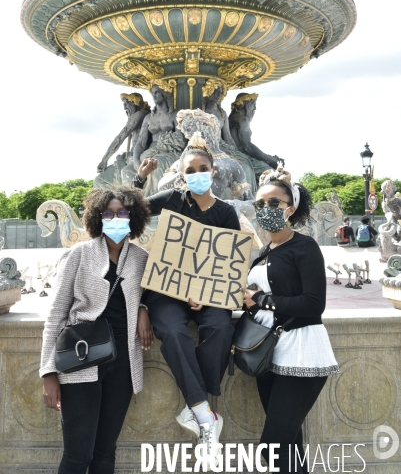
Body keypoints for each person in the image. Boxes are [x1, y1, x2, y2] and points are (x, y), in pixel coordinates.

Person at [133, 134, 241, 464]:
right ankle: (205, 413)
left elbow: (229, 266)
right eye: (190, 169)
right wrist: (140, 179)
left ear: (213, 170)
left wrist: (205, 292)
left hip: (208, 295)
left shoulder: (226, 213)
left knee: (221, 328)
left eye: (202, 168)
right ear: (182, 174)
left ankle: (196, 406)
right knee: (174, 332)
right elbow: (130, 211)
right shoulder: (171, 199)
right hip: (168, 291)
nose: (196, 173)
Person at [40, 186, 152, 474]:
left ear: (133, 216)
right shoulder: (78, 254)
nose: (116, 218)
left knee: (105, 454)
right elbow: (56, 314)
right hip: (81, 362)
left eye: (123, 213)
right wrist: (49, 372)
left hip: (124, 363)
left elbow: (154, 296)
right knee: (78, 456)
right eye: (109, 213)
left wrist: (144, 309)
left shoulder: (141, 258)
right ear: (98, 218)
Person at [241, 166, 339, 474]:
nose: (266, 210)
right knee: (287, 448)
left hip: (303, 351)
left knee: (272, 448)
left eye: (274, 203)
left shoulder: (304, 246)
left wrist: (261, 299)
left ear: (290, 208)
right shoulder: (264, 252)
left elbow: (314, 304)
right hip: (269, 354)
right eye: (260, 204)